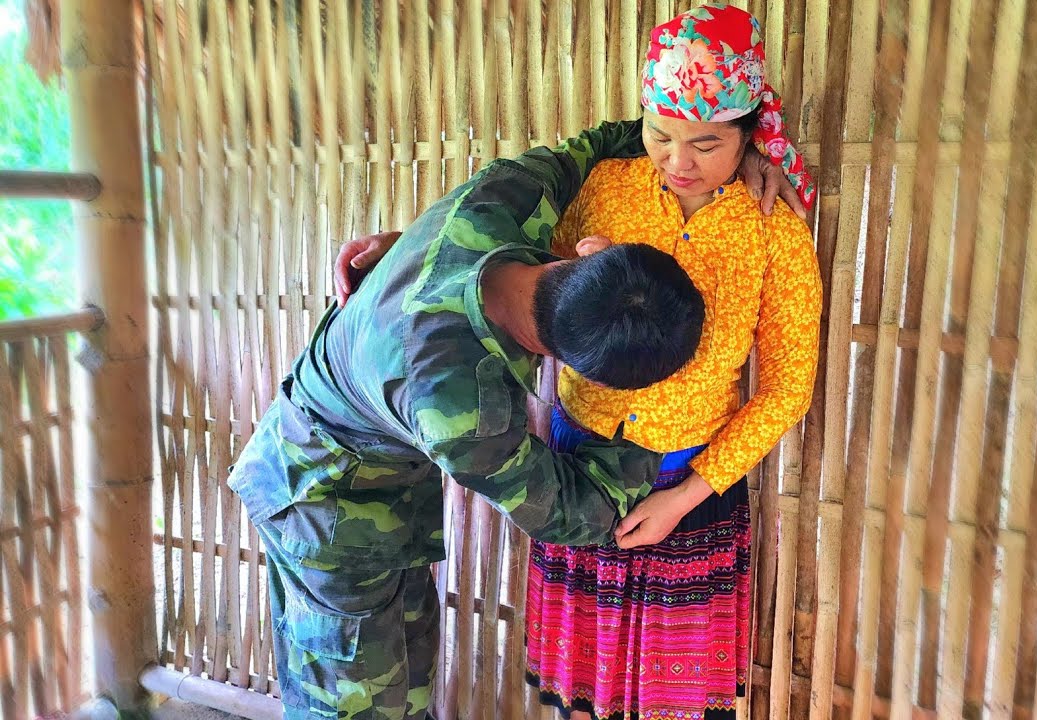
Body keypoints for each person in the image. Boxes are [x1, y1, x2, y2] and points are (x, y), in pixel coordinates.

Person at [336, 5, 822, 718]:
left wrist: (682, 496)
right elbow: (509, 255)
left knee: (673, 694)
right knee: (581, 685)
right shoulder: (606, 185)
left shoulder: (772, 230)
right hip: (572, 466)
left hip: (689, 482)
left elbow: (786, 388)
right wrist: (403, 246)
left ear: (749, 134)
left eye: (709, 143)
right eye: (660, 132)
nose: (678, 161)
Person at [228, 122, 711, 720]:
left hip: (382, 491)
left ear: (593, 251)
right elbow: (565, 512)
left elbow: (595, 144)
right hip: (321, 509)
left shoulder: (504, 196)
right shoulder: (461, 408)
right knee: (351, 709)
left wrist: (736, 144)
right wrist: (650, 439)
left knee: (409, 691)